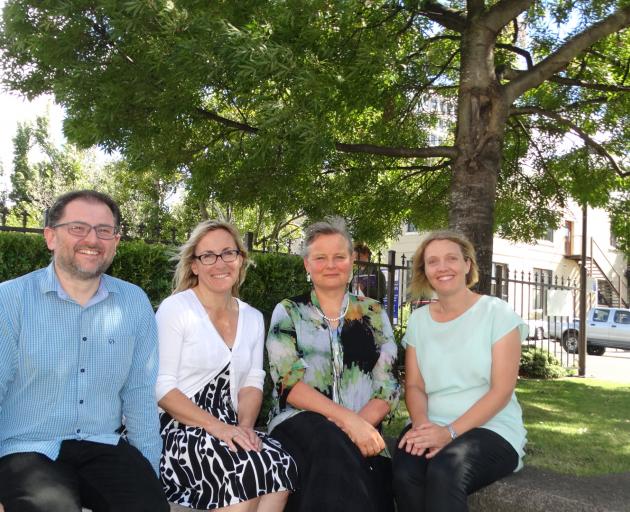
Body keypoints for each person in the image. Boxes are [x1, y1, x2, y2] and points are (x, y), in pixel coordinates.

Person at [0, 190, 168, 512]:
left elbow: (139, 395)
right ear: (50, 236)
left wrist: (148, 474)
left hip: (101, 444)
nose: (92, 239)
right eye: (78, 227)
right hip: (26, 448)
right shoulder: (10, 301)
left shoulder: (134, 303)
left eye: (104, 230)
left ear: (116, 241)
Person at [155, 220, 297, 510]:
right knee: (242, 472)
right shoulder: (176, 309)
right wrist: (220, 429)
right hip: (177, 426)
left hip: (229, 425)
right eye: (207, 255)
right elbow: (162, 388)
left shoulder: (253, 317)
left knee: (279, 464)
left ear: (240, 259)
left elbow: (252, 382)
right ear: (194, 265)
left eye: (228, 253)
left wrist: (243, 429)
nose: (219, 263)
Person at [266, 218, 400, 512]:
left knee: (363, 472)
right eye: (320, 258)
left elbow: (387, 384)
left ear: (352, 261)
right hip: (297, 423)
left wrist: (359, 425)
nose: (331, 264)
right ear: (307, 265)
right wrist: (348, 423)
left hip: (365, 428)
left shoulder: (374, 314)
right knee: (329, 439)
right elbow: (289, 383)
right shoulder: (289, 311)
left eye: (339, 257)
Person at [392, 230, 527, 512]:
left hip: (490, 427)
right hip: (432, 422)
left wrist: (449, 433)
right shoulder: (418, 320)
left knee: (445, 471)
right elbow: (414, 385)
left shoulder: (497, 313)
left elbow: (502, 391)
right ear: (425, 271)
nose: (443, 267)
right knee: (405, 472)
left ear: (467, 265)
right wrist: (421, 426)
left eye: (451, 258)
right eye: (433, 261)